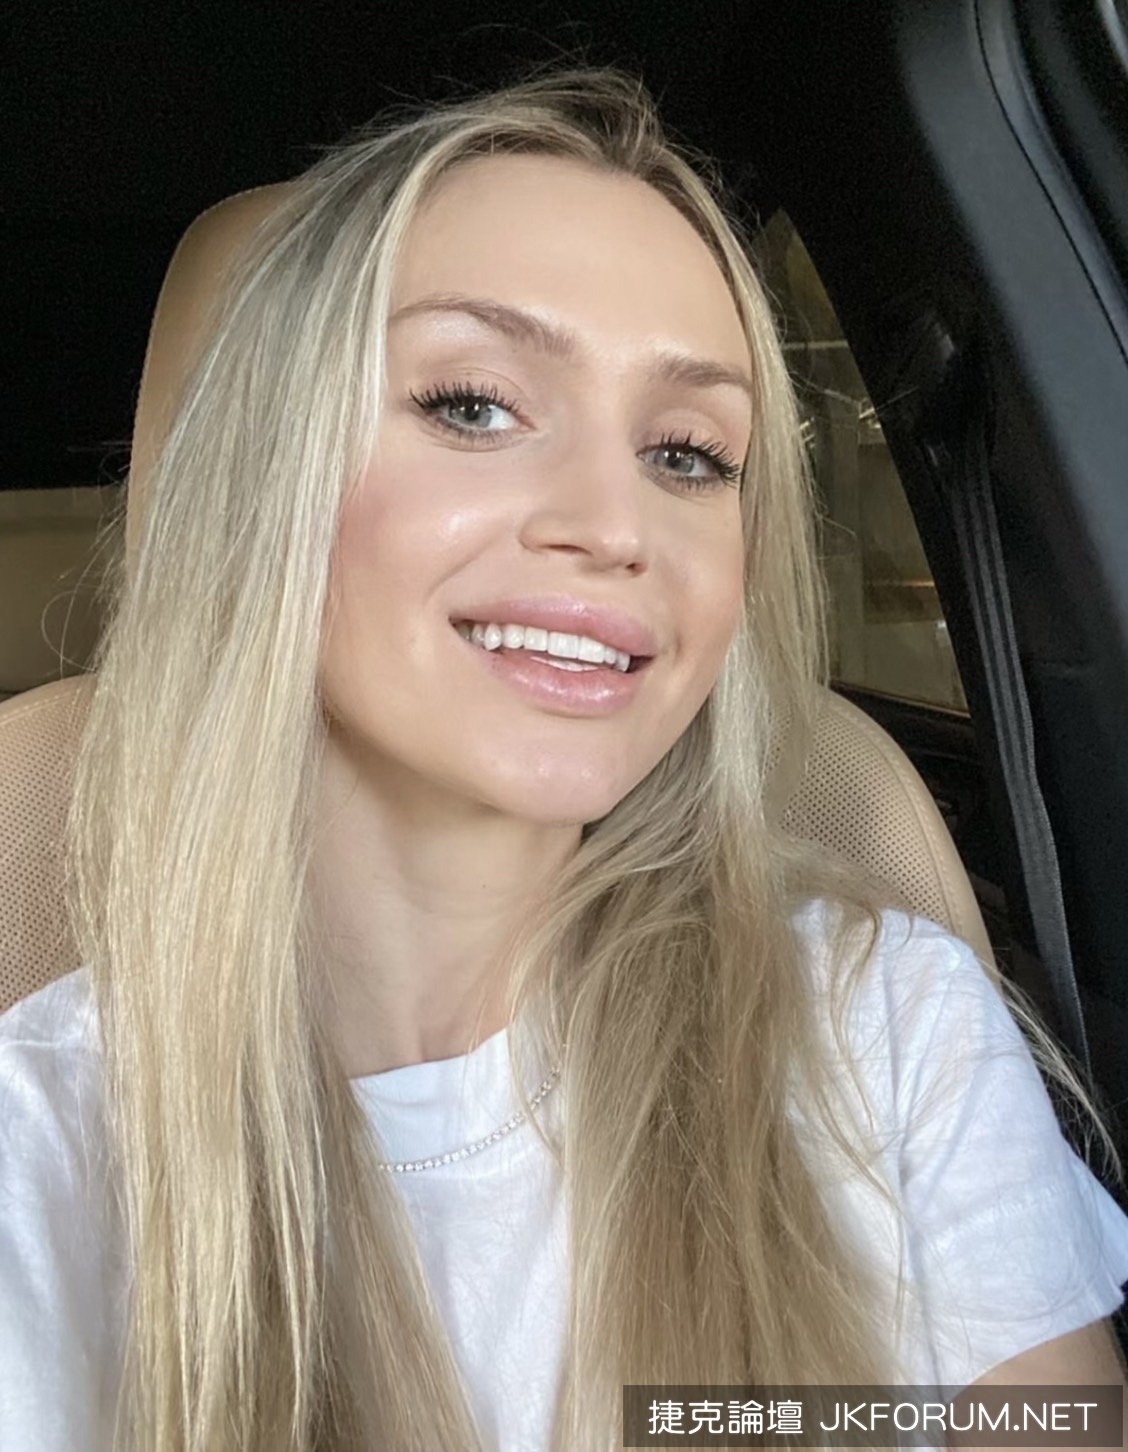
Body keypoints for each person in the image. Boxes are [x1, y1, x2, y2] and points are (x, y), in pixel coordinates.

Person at [1, 68, 1126, 1452]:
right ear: (264, 479)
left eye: (687, 454)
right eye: (474, 405)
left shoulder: (882, 1027)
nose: (616, 525)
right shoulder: (37, 1152)